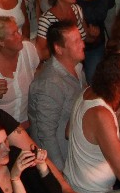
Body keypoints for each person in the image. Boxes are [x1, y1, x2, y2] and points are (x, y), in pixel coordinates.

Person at [64, 50, 120, 193]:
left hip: (80, 190)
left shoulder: (88, 92)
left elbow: (68, 132)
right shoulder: (101, 114)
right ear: (118, 84)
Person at [27, 20, 88, 171]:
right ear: (59, 49)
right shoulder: (50, 84)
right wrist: (60, 173)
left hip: (77, 156)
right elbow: (46, 135)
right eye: (76, 41)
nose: (83, 44)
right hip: (63, 161)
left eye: (81, 39)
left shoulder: (78, 68)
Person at [0, 16, 41, 126]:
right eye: (14, 34)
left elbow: (39, 74)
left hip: (30, 123)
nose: (20, 36)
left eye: (18, 31)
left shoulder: (28, 50)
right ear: (1, 42)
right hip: (0, 127)